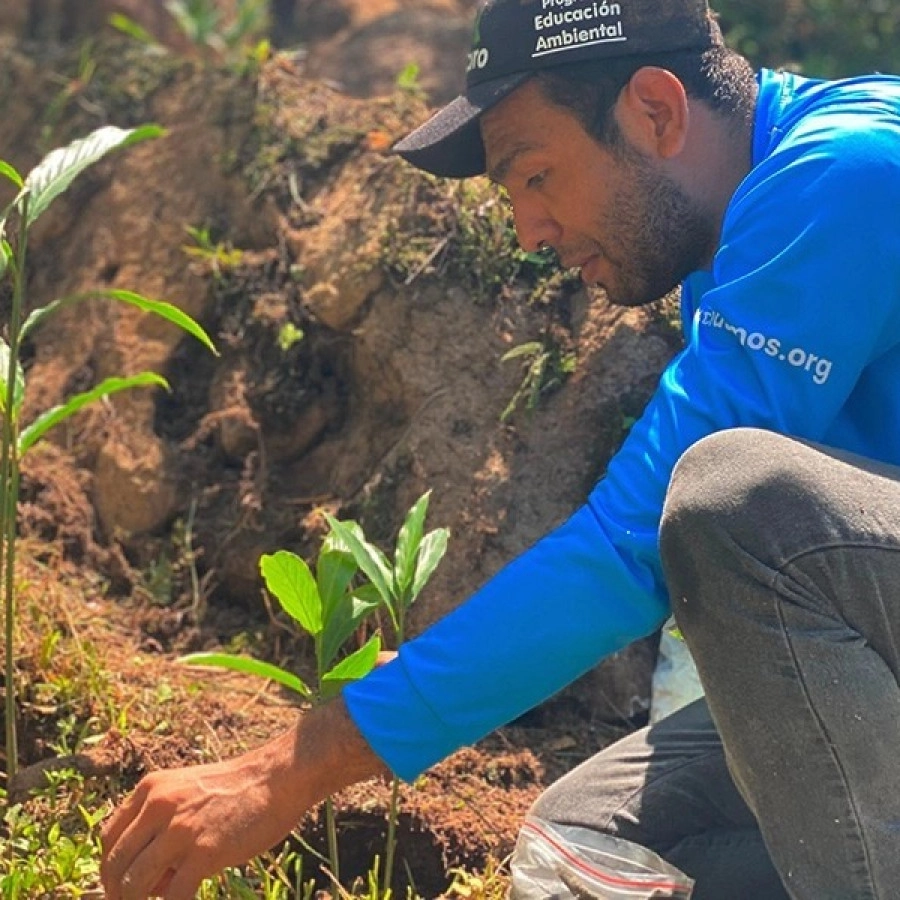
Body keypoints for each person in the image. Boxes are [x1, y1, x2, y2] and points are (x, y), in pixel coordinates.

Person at [100, 0, 900, 897]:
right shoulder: (741, 221)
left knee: (736, 500)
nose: (530, 230)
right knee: (586, 844)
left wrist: (285, 770)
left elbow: (633, 544)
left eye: (537, 175)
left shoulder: (846, 174)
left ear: (657, 111)